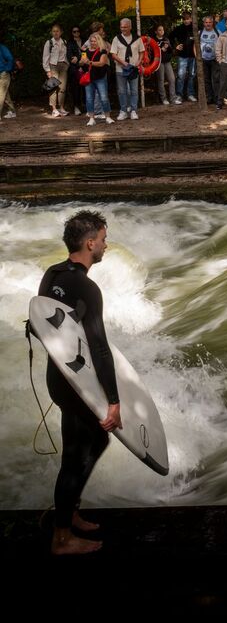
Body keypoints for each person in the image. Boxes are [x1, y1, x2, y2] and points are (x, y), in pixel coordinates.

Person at [38, 210, 121, 555]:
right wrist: (113, 400)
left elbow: (41, 325)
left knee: (97, 440)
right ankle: (61, 538)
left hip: (58, 377)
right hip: (75, 384)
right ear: (89, 244)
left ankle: (69, 511)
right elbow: (99, 347)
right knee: (75, 456)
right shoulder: (87, 287)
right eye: (102, 239)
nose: (105, 245)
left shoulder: (52, 274)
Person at [109, 18, 144, 120]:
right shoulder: (117, 39)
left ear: (130, 27)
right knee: (122, 91)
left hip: (133, 68)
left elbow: (142, 51)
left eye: (125, 27)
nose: (123, 29)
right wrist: (123, 62)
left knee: (134, 91)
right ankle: (123, 111)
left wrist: (139, 61)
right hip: (120, 69)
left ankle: (134, 111)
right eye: (121, 27)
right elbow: (113, 54)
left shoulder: (137, 38)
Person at [80, 34, 114, 126]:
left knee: (104, 97)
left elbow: (101, 63)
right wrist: (81, 62)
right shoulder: (85, 51)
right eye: (91, 41)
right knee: (89, 98)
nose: (93, 43)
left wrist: (89, 62)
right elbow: (81, 63)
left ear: (99, 41)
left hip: (100, 77)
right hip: (89, 78)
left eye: (95, 41)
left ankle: (108, 117)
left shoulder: (102, 51)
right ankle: (91, 118)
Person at [42, 24, 70, 118]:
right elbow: (45, 57)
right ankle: (54, 109)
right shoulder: (49, 43)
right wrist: (47, 70)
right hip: (53, 66)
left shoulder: (64, 42)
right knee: (53, 88)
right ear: (51, 32)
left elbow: (67, 55)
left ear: (61, 32)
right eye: (54, 31)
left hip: (63, 66)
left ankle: (61, 108)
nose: (55, 33)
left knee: (62, 88)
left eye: (57, 31)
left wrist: (67, 65)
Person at [169, 10, 196, 102]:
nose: (186, 21)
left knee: (192, 75)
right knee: (181, 76)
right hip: (182, 56)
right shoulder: (179, 28)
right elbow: (170, 37)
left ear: (191, 19)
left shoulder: (195, 28)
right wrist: (175, 46)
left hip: (193, 55)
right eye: (184, 19)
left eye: (187, 19)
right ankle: (179, 95)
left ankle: (190, 94)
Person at [198, 15, 220, 106]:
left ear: (213, 23)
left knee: (215, 79)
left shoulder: (217, 32)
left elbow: (222, 44)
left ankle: (217, 98)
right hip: (203, 60)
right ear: (204, 23)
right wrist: (197, 57)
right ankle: (209, 98)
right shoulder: (200, 33)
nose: (208, 24)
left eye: (210, 22)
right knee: (206, 80)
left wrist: (220, 57)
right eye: (206, 22)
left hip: (215, 59)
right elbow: (195, 45)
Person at [153, 24, 177, 105]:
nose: (161, 31)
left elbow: (170, 51)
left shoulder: (166, 39)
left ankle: (173, 98)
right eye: (159, 30)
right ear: (156, 31)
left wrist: (168, 47)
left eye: (162, 30)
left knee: (172, 79)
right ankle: (164, 99)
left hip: (167, 61)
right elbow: (152, 51)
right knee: (161, 80)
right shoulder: (153, 40)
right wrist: (161, 49)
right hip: (159, 62)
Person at [0, 38, 19, 120]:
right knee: (5, 94)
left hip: (3, 74)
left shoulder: (1, 47)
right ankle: (12, 111)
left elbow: (10, 58)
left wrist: (6, 69)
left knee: (1, 94)